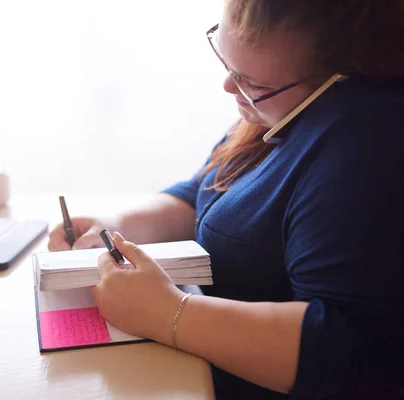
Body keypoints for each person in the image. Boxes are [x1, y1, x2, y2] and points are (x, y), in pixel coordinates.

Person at [48, 1, 404, 399]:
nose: (229, 87)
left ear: (342, 78)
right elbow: (202, 194)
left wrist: (169, 313)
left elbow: (354, 350)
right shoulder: (280, 111)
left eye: (252, 83)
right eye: (226, 61)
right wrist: (113, 227)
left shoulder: (364, 149)